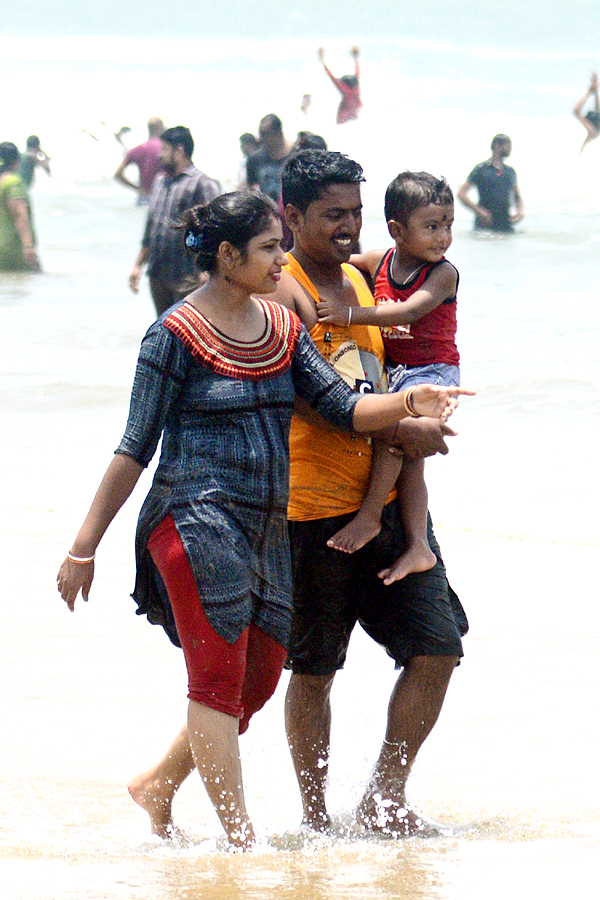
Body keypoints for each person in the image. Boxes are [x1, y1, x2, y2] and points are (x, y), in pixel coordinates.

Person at [56, 189, 467, 849]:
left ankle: (159, 783)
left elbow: (343, 408)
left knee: (255, 682)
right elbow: (134, 447)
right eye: (270, 248)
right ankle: (241, 847)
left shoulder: (281, 329)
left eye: (280, 244)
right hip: (191, 523)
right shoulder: (172, 337)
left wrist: (408, 399)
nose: (283, 259)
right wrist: (84, 547)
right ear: (227, 256)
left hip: (265, 530)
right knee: (217, 683)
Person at [275, 149, 470, 836]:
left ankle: (384, 801)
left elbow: (405, 344)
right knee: (315, 669)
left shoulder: (363, 281)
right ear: (291, 216)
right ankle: (313, 817)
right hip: (312, 510)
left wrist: (412, 421)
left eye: (356, 213)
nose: (350, 227)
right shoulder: (287, 288)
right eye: (333, 215)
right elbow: (316, 399)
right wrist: (405, 416)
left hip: (382, 499)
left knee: (438, 646)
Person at [315, 171, 459, 585]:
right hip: (396, 370)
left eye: (447, 224)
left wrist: (349, 315)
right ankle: (418, 546)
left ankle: (371, 517)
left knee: (397, 440)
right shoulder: (382, 261)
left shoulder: (442, 274)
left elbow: (408, 312)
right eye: (431, 227)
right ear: (396, 230)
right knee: (409, 457)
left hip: (433, 372)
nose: (442, 237)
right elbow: (341, 261)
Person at [129, 125, 220, 316]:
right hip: (158, 273)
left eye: (164, 149)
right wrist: (138, 265)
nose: (160, 156)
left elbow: (215, 230)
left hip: (188, 276)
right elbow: (151, 228)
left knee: (188, 332)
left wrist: (208, 270)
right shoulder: (161, 182)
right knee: (163, 329)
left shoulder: (202, 184)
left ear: (179, 150)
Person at [457, 134, 524, 232]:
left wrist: (520, 212)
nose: (510, 149)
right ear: (497, 145)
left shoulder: (510, 171)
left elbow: (517, 196)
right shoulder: (481, 169)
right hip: (485, 225)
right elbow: (461, 194)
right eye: (508, 145)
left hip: (505, 224)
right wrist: (479, 211)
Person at [0, 141, 41, 272]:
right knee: (26, 288)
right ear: (16, 161)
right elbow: (19, 213)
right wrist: (28, 246)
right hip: (13, 250)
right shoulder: (13, 183)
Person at [114, 117, 165, 204]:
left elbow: (118, 175)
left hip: (143, 196)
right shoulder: (166, 149)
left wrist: (137, 189)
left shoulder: (137, 150)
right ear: (161, 128)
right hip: (162, 196)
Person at [245, 114, 294, 202]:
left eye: (265, 134)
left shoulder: (296, 154)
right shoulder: (254, 160)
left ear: (279, 133)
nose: (260, 139)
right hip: (270, 211)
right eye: (260, 134)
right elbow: (251, 188)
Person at [317, 46, 362, 125]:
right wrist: (356, 58)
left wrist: (322, 61)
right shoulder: (356, 85)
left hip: (345, 111)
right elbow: (357, 71)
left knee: (342, 125)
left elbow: (331, 76)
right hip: (356, 108)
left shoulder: (344, 88)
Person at [573, 72, 600, 152]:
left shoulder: (593, 132)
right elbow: (597, 109)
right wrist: (594, 91)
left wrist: (589, 92)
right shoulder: (594, 132)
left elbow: (576, 111)